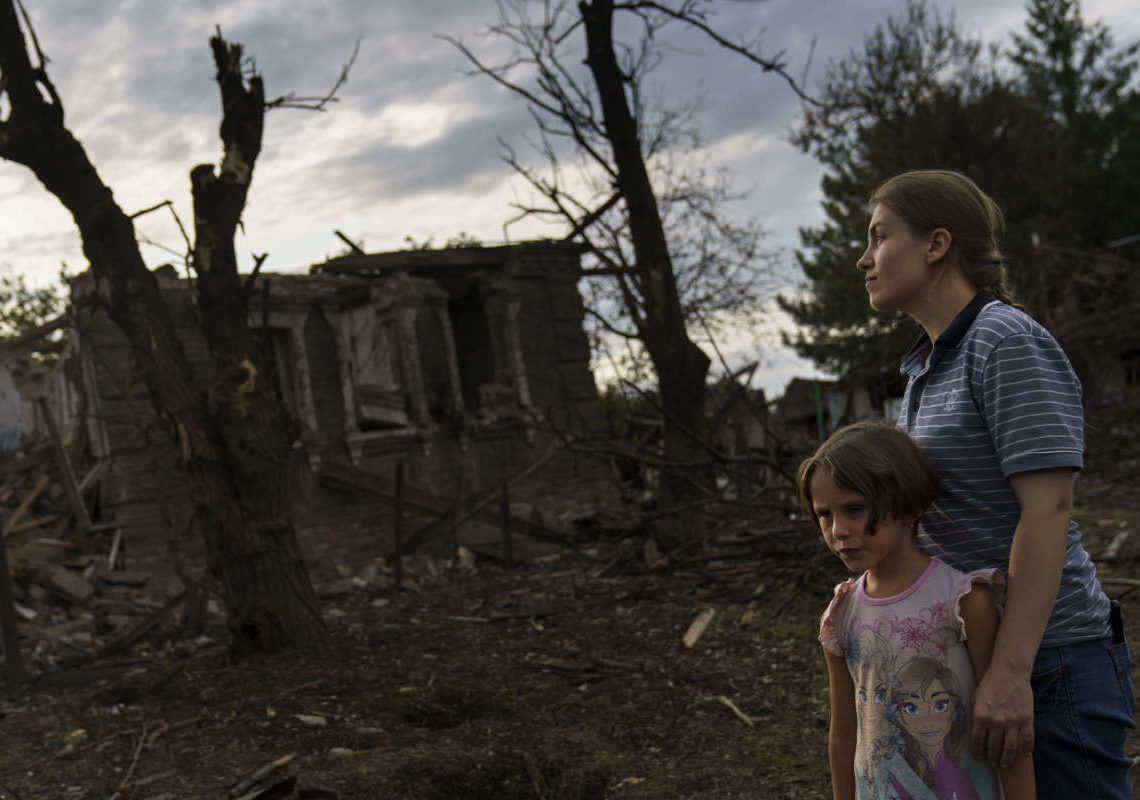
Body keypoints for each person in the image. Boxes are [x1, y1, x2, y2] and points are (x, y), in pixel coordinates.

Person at [856, 169, 1136, 798]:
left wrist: (1010, 674)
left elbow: (1048, 510)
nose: (863, 258)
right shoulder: (925, 366)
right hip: (977, 655)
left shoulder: (1003, 342)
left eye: (879, 237)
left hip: (1049, 659)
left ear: (936, 244)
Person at [804, 421, 1033, 800]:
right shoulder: (841, 614)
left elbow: (1008, 736)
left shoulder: (962, 602)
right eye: (825, 515)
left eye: (854, 509)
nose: (839, 530)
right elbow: (845, 733)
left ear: (908, 506)